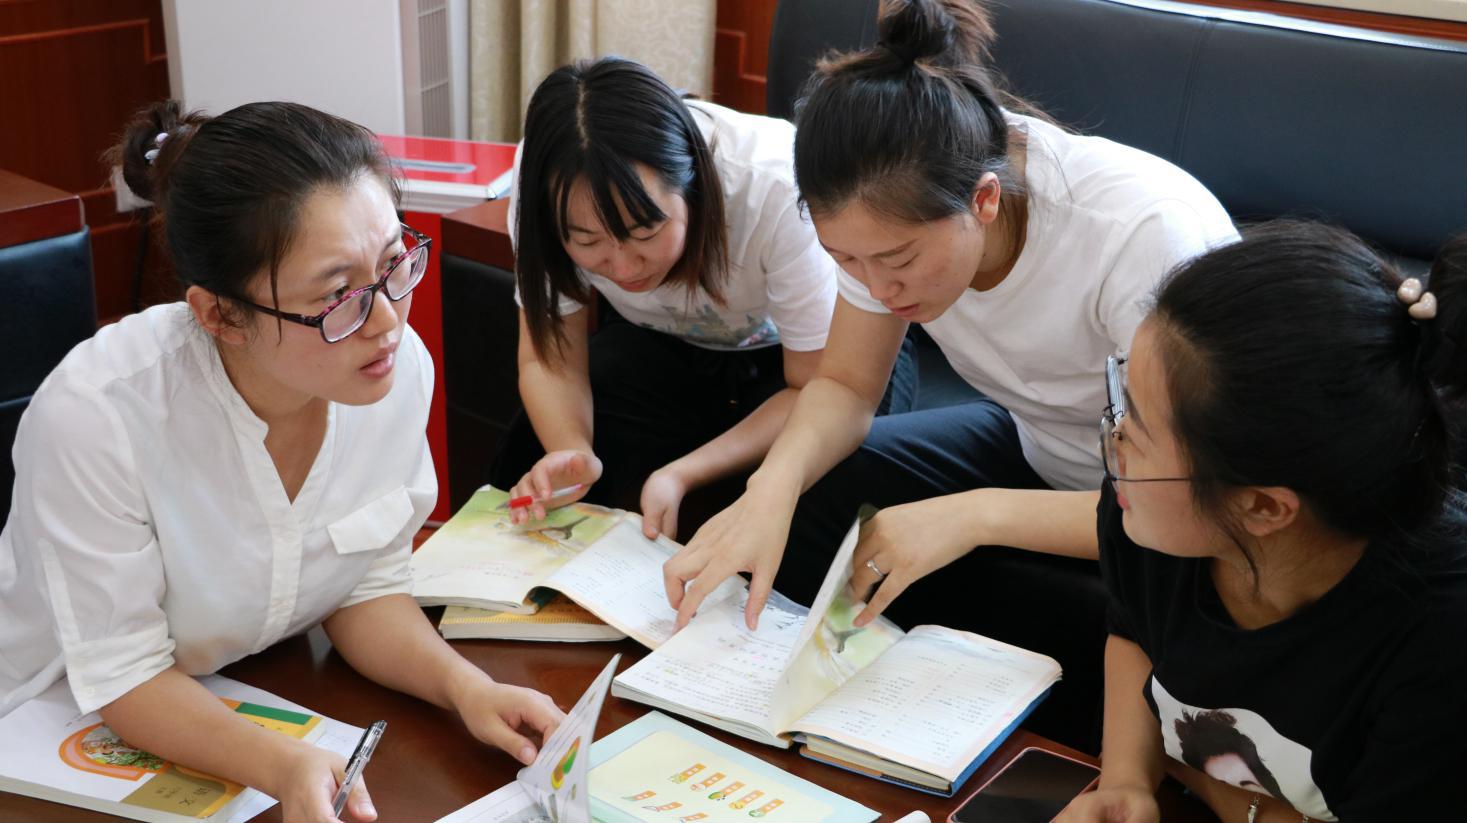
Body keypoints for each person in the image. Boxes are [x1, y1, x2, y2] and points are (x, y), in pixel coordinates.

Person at [0, 100, 563, 823]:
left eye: (395, 264)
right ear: (219, 316)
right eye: (337, 296)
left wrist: (466, 689)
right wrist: (280, 764)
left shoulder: (388, 371)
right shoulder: (99, 415)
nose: (391, 319)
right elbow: (125, 676)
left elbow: (363, 587)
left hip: (235, 691)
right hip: (50, 736)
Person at [663, 0, 1236, 631]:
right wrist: (769, 489)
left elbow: (1194, 496)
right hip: (1039, 444)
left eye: (899, 259)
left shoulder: (1141, 237)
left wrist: (974, 515)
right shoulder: (884, 210)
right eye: (845, 260)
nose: (878, 288)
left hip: (1163, 489)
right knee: (814, 491)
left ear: (984, 200)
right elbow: (848, 385)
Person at [1056, 222, 1467, 821]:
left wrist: (1233, 803)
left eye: (1139, 428)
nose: (1116, 437)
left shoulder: (1441, 645)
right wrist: (1127, 778)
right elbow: (1136, 632)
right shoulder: (1147, 513)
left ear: (1264, 507)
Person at [488, 57, 916, 540]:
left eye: (644, 230)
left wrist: (683, 473)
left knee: (817, 482)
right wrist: (571, 449)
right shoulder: (544, 179)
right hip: (663, 344)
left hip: (814, 361)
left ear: (692, 183)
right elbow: (553, 359)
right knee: (544, 461)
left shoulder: (775, 185)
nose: (625, 268)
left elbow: (817, 389)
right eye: (588, 243)